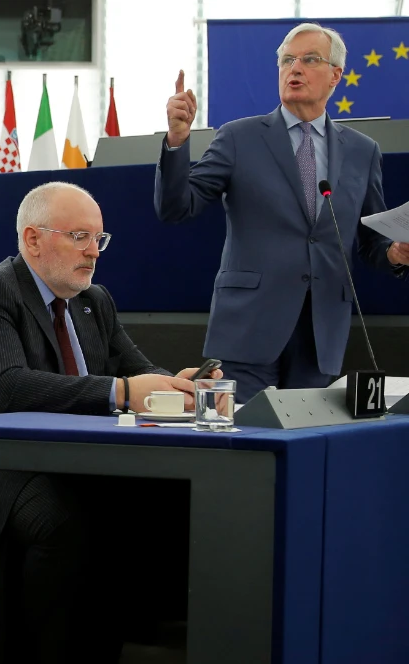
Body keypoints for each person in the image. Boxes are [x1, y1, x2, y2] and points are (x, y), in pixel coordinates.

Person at [0, 182, 218, 664]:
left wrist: (176, 386)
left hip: (66, 461)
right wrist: (123, 392)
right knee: (67, 520)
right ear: (33, 239)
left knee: (152, 504)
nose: (94, 251)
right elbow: (9, 388)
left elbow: (137, 369)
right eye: (79, 237)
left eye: (99, 239)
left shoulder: (95, 302)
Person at [155, 22, 409, 403]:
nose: (295, 68)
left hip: (321, 334)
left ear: (335, 75)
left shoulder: (362, 151)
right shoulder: (238, 137)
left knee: (307, 436)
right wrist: (177, 140)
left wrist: (395, 252)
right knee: (243, 432)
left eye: (310, 59)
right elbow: (176, 207)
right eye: (288, 60)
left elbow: (371, 241)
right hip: (248, 329)